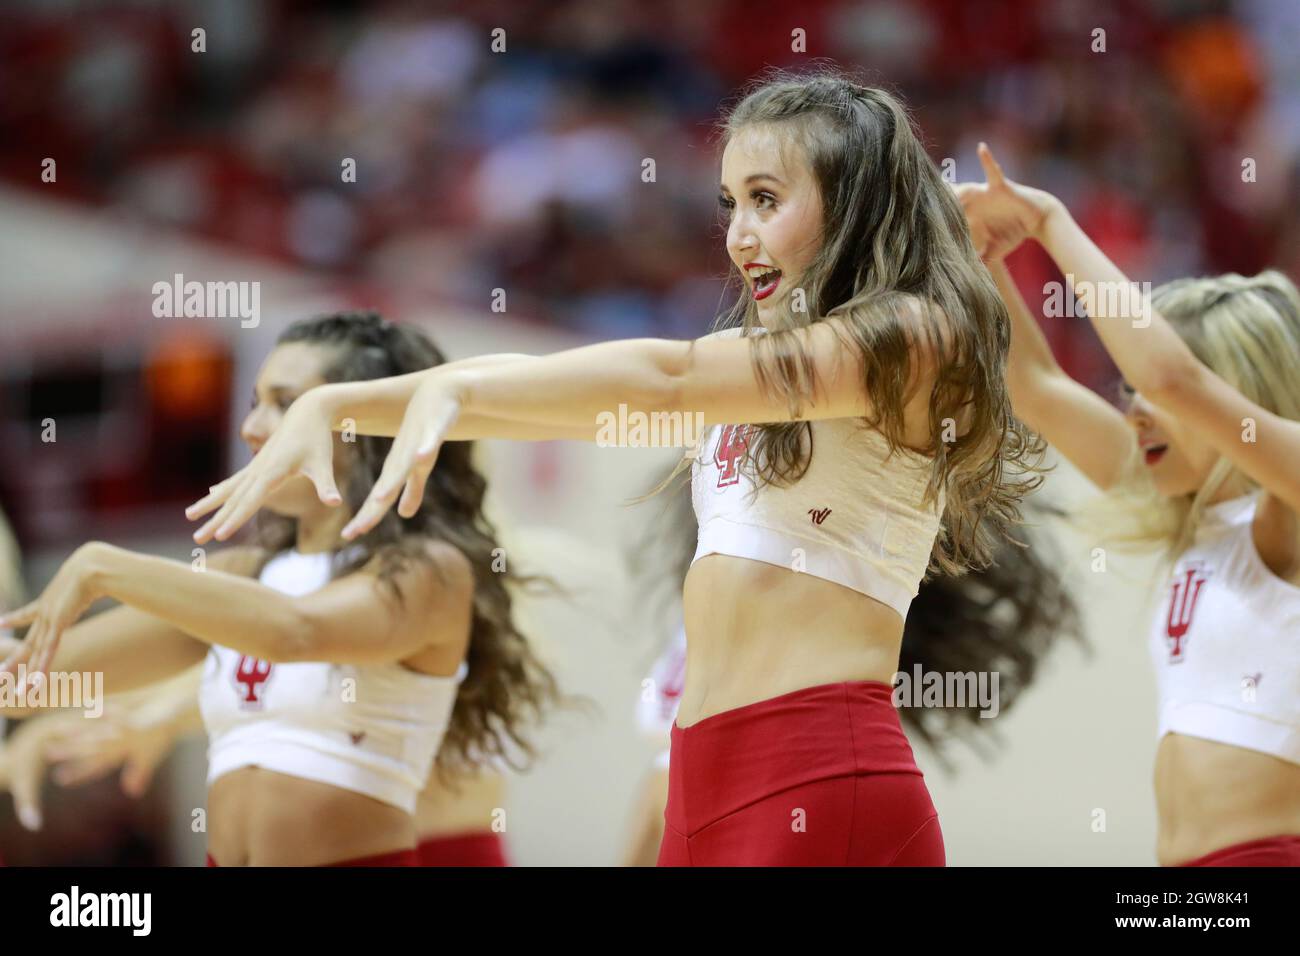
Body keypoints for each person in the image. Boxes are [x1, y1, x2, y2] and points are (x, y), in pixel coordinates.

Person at [187, 71, 1045, 866]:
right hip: (699, 776)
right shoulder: (762, 360)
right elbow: (571, 400)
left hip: (820, 768)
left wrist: (362, 402)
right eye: (730, 203)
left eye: (767, 199)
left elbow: (663, 380)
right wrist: (364, 404)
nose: (740, 233)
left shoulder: (914, 335)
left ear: (854, 203)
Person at [0, 312, 559, 866]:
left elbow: (295, 631)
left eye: (285, 404)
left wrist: (106, 567)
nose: (252, 428)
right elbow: (32, 681)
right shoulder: (239, 575)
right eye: (254, 404)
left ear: (362, 424)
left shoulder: (429, 572)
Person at [958, 143, 1300, 866]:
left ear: (1240, 392)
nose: (1135, 410)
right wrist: (978, 254)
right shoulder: (1203, 522)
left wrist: (1050, 220)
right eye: (1130, 396)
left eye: (1148, 395)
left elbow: (1173, 381)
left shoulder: (1289, 503)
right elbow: (1035, 388)